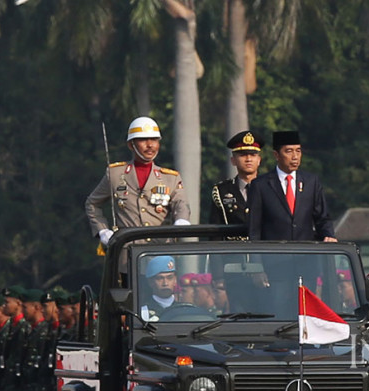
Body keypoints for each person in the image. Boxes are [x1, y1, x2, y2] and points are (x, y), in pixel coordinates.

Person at [85, 117, 190, 247]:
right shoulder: (115, 174)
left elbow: (181, 204)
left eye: (154, 140)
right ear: (131, 145)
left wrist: (181, 219)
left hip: (160, 251)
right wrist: (102, 230)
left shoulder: (170, 178)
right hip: (127, 252)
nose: (150, 145)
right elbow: (93, 203)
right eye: (143, 140)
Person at [247, 130, 337, 242]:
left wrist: (328, 235)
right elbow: (254, 227)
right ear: (276, 155)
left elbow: (322, 218)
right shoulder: (261, 185)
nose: (295, 157)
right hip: (274, 254)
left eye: (298, 151)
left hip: (305, 252)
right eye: (289, 151)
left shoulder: (311, 182)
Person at [210, 130, 263, 226]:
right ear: (233, 160)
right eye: (243, 155)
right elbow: (215, 231)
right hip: (233, 241)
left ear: (259, 160)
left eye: (253, 155)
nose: (248, 159)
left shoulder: (269, 187)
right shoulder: (222, 191)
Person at [140, 256, 177, 321]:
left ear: (175, 280)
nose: (165, 283)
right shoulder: (143, 312)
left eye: (170, 277)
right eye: (160, 278)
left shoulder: (184, 309)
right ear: (150, 282)